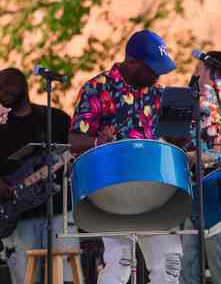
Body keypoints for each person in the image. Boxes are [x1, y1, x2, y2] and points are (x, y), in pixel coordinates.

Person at [69, 30, 182, 284]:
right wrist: (98, 142)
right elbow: (74, 141)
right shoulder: (97, 89)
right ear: (132, 61)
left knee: (169, 264)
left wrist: (189, 122)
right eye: (152, 69)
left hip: (154, 187)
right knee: (121, 263)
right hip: (113, 188)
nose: (158, 75)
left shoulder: (158, 94)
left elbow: (176, 142)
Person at [0, 67, 78, 284]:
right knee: (25, 279)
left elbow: (75, 150)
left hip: (59, 213)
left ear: (24, 85)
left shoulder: (55, 118)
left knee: (64, 277)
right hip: (15, 217)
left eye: (8, 85)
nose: (3, 91)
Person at [180, 51, 221, 284]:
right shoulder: (196, 107)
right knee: (187, 268)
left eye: (198, 69)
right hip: (194, 196)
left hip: (220, 199)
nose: (194, 73)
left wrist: (194, 157)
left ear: (212, 74)